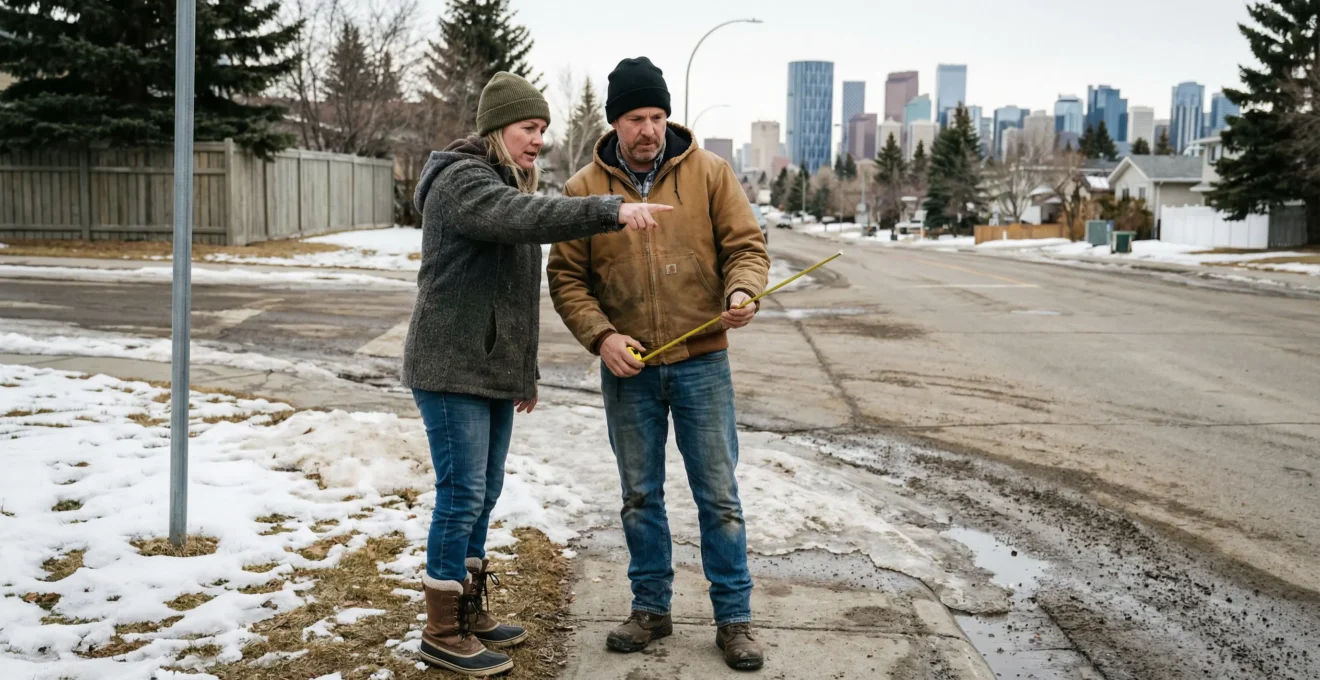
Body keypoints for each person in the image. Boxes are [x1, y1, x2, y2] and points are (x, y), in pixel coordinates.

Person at [404, 71, 672, 677]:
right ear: (497, 126)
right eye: (530, 128)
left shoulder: (506, 179)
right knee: (461, 494)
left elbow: (513, 294)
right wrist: (611, 210)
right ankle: (441, 627)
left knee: (485, 491)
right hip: (450, 368)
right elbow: (521, 216)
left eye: (544, 130)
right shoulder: (461, 181)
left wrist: (521, 374)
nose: (538, 140)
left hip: (489, 368)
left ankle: (467, 611)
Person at [547, 57, 769, 671]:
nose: (649, 129)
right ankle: (652, 608)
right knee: (639, 496)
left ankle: (734, 620)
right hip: (630, 369)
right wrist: (601, 338)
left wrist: (741, 291)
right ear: (615, 121)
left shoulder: (710, 173)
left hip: (703, 365)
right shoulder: (583, 190)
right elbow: (567, 278)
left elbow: (747, 248)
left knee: (719, 497)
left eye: (658, 116)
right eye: (636, 118)